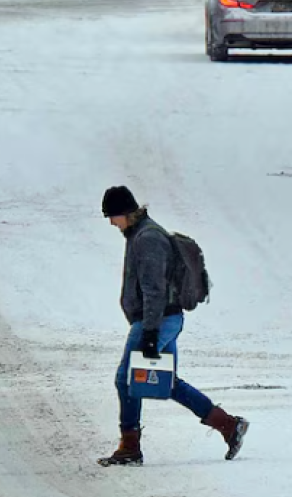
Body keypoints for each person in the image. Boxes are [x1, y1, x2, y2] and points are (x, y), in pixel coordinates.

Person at [97, 186, 249, 467]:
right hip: (161, 319)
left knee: (126, 379)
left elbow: (154, 289)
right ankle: (229, 425)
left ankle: (129, 446)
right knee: (166, 382)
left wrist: (151, 333)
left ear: (127, 212)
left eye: (112, 216)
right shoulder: (137, 234)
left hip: (158, 320)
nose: (111, 222)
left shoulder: (148, 238)